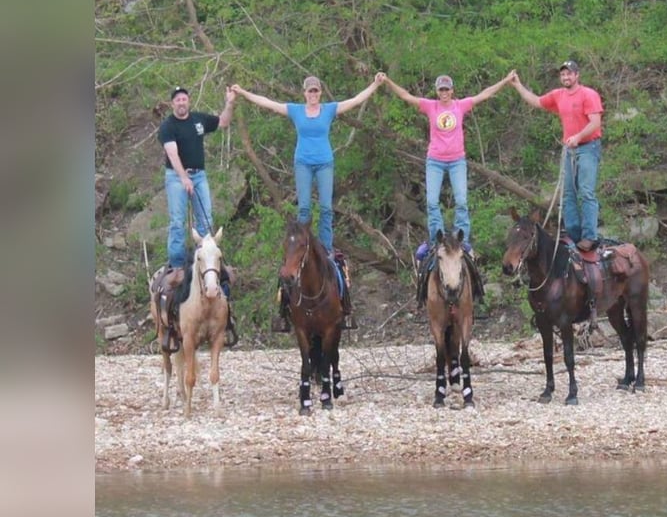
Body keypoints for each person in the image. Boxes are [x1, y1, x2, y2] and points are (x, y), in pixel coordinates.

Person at [231, 73, 386, 331]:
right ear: (304, 93)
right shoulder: (296, 111)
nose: (313, 95)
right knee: (304, 208)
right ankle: (301, 249)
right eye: (310, 91)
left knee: (325, 208)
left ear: (320, 93)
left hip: (325, 162)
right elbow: (268, 103)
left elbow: (356, 100)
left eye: (316, 91)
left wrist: (375, 84)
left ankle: (324, 248)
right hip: (303, 162)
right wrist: (244, 92)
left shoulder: (328, 110)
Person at [383, 71, 514, 261]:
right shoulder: (431, 106)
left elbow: (484, 94)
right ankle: (436, 238)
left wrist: (505, 80)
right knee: (432, 202)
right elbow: (406, 96)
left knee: (461, 200)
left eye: (447, 89)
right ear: (437, 91)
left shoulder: (460, 106)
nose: (444, 92)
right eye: (441, 89)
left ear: (452, 91)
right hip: (435, 160)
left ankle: (463, 239)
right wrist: (387, 81)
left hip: (456, 161)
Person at [156, 85, 238, 348]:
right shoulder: (168, 126)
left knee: (206, 224)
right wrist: (183, 177)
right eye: (177, 100)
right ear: (172, 104)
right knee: (178, 222)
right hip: (177, 175)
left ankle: (210, 266)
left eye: (184, 99)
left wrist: (229, 103)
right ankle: (178, 266)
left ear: (189, 101)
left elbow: (224, 123)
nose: (181, 103)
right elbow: (172, 153)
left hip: (199, 174)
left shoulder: (199, 120)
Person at [508, 61, 604, 252]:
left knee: (586, 192)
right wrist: (518, 85)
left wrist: (578, 137)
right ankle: (574, 236)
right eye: (563, 75)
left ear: (577, 75)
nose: (566, 78)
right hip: (570, 150)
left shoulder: (588, 94)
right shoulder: (558, 95)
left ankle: (590, 236)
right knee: (567, 194)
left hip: (587, 148)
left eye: (569, 74)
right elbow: (536, 101)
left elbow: (595, 123)